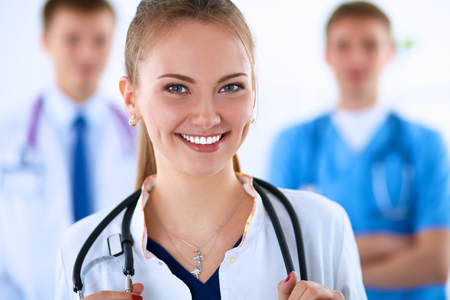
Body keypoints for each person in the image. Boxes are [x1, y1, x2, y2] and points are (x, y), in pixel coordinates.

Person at [55, 0, 367, 299]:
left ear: (253, 94)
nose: (207, 117)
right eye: (177, 88)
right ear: (131, 99)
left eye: (230, 87)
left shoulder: (323, 228)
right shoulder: (84, 253)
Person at [268, 1, 450, 299]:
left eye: (369, 45)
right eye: (343, 46)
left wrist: (335, 265)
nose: (356, 58)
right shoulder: (294, 143)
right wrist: (400, 244)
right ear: (327, 54)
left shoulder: (426, 143)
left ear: (390, 52)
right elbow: (280, 256)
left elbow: (436, 262)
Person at [0, 0, 137, 299]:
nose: (87, 53)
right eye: (72, 39)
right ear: (46, 40)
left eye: (99, 40)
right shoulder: (7, 136)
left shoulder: (140, 138)